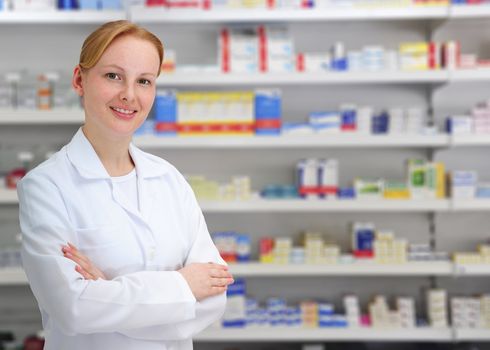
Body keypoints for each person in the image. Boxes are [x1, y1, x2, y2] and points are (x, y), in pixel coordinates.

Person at [17, 20, 234, 350]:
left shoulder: (169, 180)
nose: (129, 95)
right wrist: (182, 286)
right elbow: (74, 309)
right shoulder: (46, 187)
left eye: (144, 81)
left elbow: (214, 299)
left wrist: (110, 292)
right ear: (80, 80)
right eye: (113, 76)